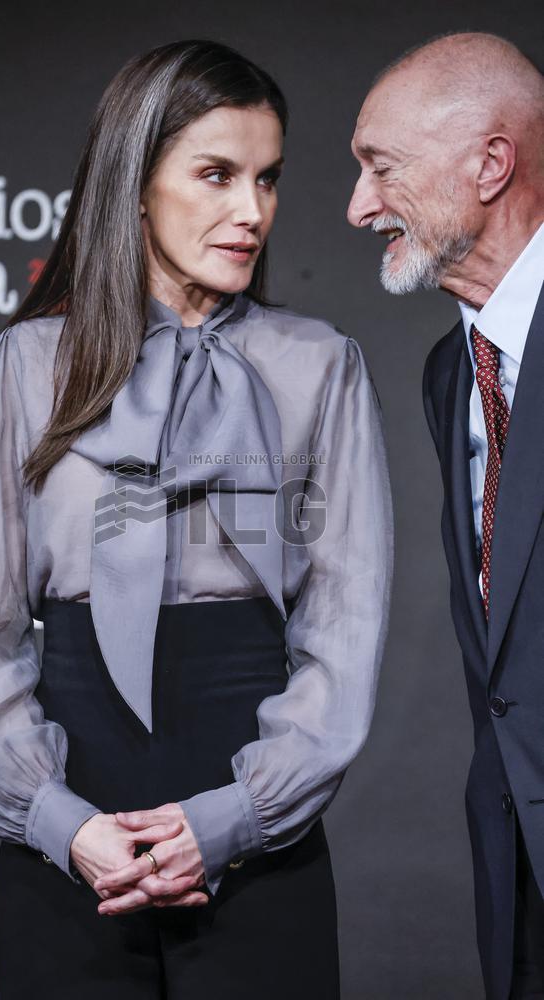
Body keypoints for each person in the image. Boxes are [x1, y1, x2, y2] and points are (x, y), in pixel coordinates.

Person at [0, 39, 393, 1000]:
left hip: (259, 814)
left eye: (267, 179)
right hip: (71, 820)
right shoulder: (21, 369)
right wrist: (62, 823)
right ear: (136, 183)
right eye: (217, 174)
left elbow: (342, 631)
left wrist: (236, 819)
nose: (251, 211)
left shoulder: (321, 366)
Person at [347, 30, 544, 1000]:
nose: (357, 207)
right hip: (514, 878)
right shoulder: (446, 376)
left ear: (491, 162)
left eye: (380, 167)